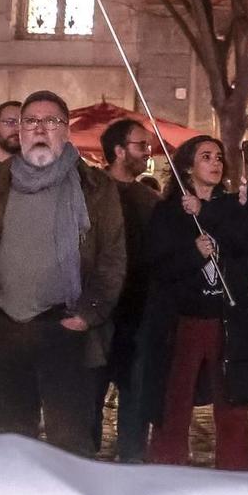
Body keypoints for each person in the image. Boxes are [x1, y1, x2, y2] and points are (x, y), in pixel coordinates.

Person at [0, 92, 126, 456]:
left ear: (65, 131)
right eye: (30, 121)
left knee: (69, 442)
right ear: (18, 131)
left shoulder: (96, 188)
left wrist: (86, 316)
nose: (40, 129)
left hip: (66, 328)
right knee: (10, 442)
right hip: (4, 326)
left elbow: (111, 259)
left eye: (50, 121)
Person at [144, 136, 248, 468]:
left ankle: (235, 474)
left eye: (218, 157)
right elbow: (156, 268)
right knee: (174, 404)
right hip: (184, 321)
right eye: (206, 157)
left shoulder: (232, 208)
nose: (216, 163)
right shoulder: (167, 212)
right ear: (187, 167)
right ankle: (167, 472)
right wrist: (192, 255)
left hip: (228, 321)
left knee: (232, 406)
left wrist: (207, 212)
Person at [100, 116, 162, 461]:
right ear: (119, 150)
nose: (147, 153)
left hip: (138, 312)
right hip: (99, 312)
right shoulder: (93, 191)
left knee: (135, 398)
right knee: (89, 395)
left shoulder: (149, 199)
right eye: (141, 145)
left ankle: (132, 463)